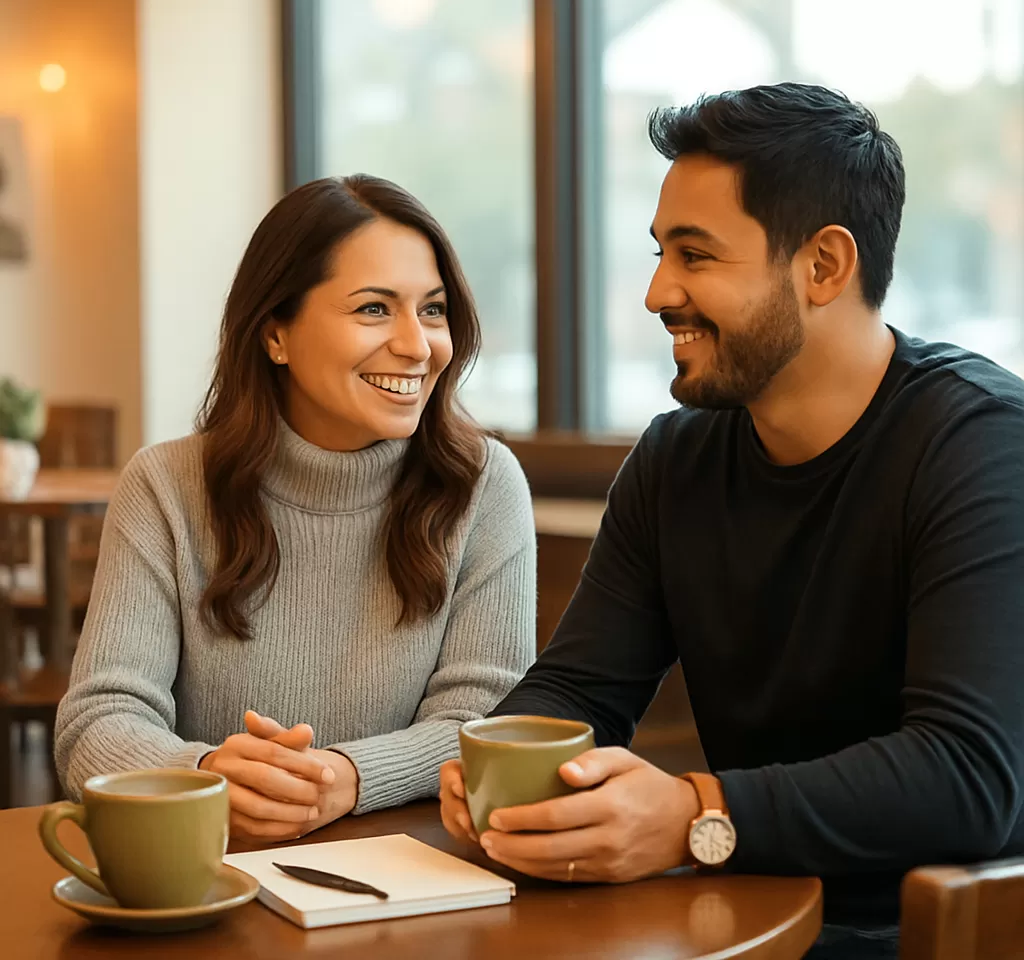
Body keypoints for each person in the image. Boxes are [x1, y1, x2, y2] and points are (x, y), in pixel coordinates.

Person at [439, 84, 1024, 958]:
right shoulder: (677, 459)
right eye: (659, 253)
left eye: (696, 256)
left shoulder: (983, 448)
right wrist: (497, 769)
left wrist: (694, 814)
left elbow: (969, 775)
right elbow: (582, 691)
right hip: (738, 907)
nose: (655, 293)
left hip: (935, 929)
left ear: (825, 265)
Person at [56, 175, 536, 844]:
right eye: (373, 309)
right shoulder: (166, 485)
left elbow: (487, 717)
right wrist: (207, 774)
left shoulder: (484, 485)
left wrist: (347, 776)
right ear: (275, 333)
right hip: (213, 877)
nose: (418, 344)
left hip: (415, 882)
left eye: (432, 309)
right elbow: (99, 720)